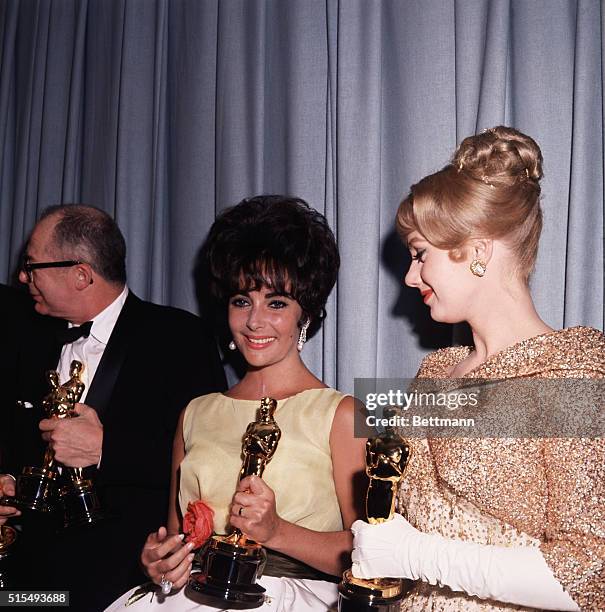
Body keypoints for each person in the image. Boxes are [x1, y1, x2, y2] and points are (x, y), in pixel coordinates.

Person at [351, 127, 605, 611]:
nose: (409, 276)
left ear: (479, 251)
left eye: (420, 254)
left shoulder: (574, 368)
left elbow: (591, 573)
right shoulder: (434, 374)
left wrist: (417, 555)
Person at [107, 195, 367, 612]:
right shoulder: (196, 412)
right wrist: (160, 562)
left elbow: (370, 554)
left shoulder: (342, 414)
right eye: (241, 300)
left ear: (308, 314)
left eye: (276, 303)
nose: (254, 321)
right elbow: (177, 538)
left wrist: (278, 532)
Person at [0, 205, 226, 611]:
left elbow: (207, 466)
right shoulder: (24, 335)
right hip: (29, 584)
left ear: (81, 274)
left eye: (31, 266)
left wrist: (109, 449)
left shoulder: (178, 337)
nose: (22, 277)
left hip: (123, 584)